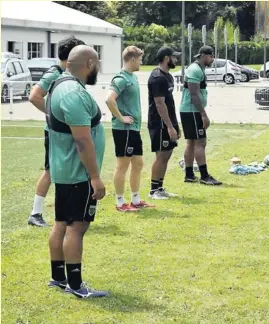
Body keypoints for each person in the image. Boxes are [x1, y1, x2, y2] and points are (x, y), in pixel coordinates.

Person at [46, 45, 108, 298]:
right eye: (98, 63)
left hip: (64, 170)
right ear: (90, 63)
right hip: (77, 172)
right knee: (76, 226)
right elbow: (82, 141)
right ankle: (75, 285)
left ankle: (58, 277)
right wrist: (95, 176)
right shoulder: (73, 92)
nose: (99, 68)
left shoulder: (59, 84)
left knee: (61, 223)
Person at [27, 36, 85, 227]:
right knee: (51, 171)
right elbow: (34, 96)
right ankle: (35, 213)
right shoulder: (55, 73)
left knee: (63, 171)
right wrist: (56, 116)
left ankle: (69, 212)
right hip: (55, 134)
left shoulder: (69, 74)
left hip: (64, 134)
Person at [105, 46, 155, 211]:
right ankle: (120, 202)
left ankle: (135, 199)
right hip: (123, 129)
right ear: (132, 59)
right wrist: (121, 117)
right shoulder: (121, 79)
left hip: (133, 129)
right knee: (122, 165)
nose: (141, 62)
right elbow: (109, 99)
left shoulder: (132, 77)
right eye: (140, 59)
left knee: (138, 163)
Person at [180, 46, 222, 185]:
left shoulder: (198, 69)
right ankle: (204, 176)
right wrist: (203, 114)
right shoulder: (195, 69)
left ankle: (189, 175)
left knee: (192, 142)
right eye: (211, 56)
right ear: (203, 55)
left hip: (191, 110)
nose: (212, 59)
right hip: (192, 111)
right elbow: (193, 94)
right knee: (200, 142)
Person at [147, 47, 181, 199]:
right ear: (167, 58)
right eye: (174, 57)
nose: (176, 60)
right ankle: (154, 191)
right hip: (159, 124)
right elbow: (160, 104)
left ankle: (160, 188)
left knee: (167, 155)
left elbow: (170, 102)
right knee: (161, 156)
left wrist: (175, 125)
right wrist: (169, 126)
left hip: (169, 122)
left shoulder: (168, 76)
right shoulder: (157, 78)